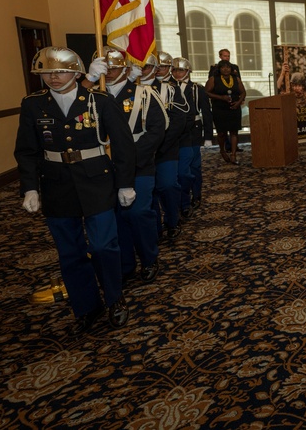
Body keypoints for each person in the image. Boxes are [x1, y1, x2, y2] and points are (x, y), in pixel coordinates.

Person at [14, 46, 135, 333]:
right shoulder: (33, 105)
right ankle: (86, 305)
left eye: (61, 71)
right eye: (47, 72)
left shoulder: (99, 101)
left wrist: (126, 183)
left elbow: (123, 144)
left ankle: (114, 298)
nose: (54, 78)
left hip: (96, 181)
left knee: (105, 246)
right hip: (56, 184)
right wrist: (30, 189)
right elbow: (27, 151)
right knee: (70, 252)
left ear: (76, 72)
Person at [90, 48, 166, 287]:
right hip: (102, 166)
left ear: (125, 69)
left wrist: (130, 158)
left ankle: (149, 258)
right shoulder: (93, 96)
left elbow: (157, 128)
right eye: (105, 68)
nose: (109, 72)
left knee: (137, 213)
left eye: (114, 68)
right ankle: (124, 265)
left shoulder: (143, 94)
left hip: (138, 165)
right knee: (114, 217)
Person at [172, 58, 213, 227]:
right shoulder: (169, 88)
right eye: (174, 71)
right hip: (176, 133)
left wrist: (209, 136)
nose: (177, 74)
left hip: (194, 131)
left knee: (194, 166)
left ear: (188, 72)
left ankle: (196, 194)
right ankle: (184, 200)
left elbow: (207, 113)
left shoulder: (197, 89)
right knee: (181, 169)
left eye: (180, 71)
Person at [151, 51, 187, 238]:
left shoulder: (172, 88)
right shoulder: (135, 88)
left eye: (162, 67)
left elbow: (178, 121)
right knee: (149, 192)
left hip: (166, 148)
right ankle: (155, 227)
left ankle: (172, 220)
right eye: (153, 66)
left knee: (167, 185)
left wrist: (160, 145)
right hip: (141, 152)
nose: (157, 70)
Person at [206, 59, 246, 164]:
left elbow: (243, 92)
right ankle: (222, 151)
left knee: (234, 132)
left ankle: (233, 155)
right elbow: (206, 92)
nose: (226, 69)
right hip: (219, 109)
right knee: (222, 133)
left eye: (228, 67)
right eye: (223, 67)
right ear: (219, 69)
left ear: (231, 69)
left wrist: (238, 102)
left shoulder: (236, 79)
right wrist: (221, 97)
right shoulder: (214, 79)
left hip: (234, 108)